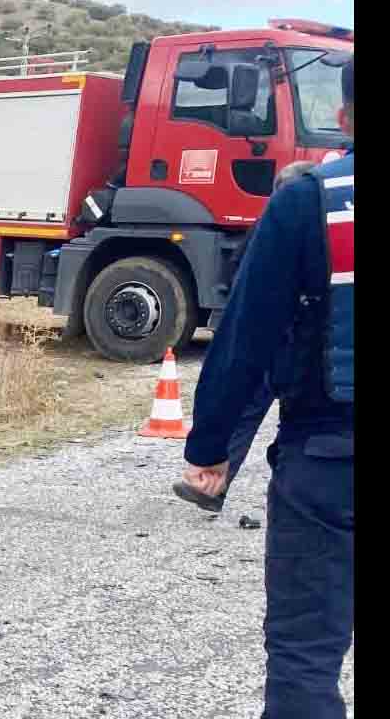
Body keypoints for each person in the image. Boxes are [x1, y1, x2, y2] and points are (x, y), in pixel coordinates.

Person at [180, 55, 353, 718]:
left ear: (343, 119)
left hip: (329, 460)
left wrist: (210, 446)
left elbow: (245, 336)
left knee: (306, 654)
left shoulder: (308, 202)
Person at [170, 159, 317, 513]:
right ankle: (216, 484)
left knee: (253, 412)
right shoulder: (298, 224)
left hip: (275, 342)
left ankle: (214, 483)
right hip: (290, 346)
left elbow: (243, 277)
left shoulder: (278, 225)